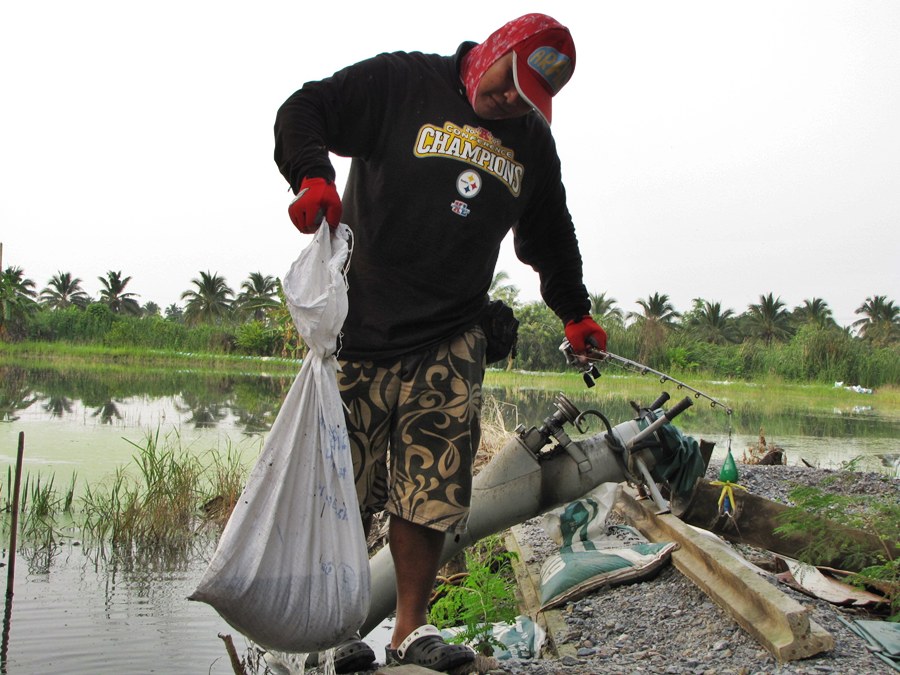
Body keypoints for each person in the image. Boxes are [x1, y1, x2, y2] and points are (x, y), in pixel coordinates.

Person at [273, 12, 607, 674]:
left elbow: (550, 231)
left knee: (430, 492)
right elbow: (304, 108)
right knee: (344, 489)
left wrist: (575, 312)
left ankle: (409, 630)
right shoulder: (402, 82)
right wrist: (312, 174)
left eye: (528, 99)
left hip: (452, 334)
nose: (512, 102)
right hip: (359, 326)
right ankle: (338, 629)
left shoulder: (530, 144)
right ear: (495, 51)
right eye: (510, 82)